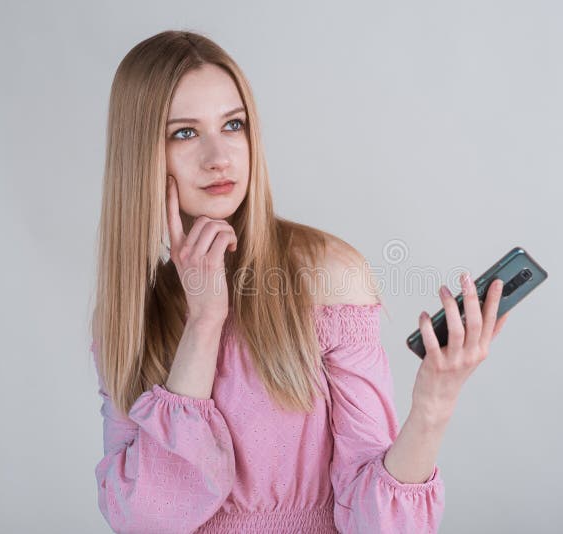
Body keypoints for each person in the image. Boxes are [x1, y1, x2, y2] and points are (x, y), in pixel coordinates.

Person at [90, 30, 509, 534]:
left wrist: (434, 405)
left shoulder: (327, 275)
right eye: (184, 132)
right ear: (141, 155)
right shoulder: (130, 310)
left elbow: (378, 524)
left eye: (233, 124)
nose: (219, 156)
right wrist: (204, 321)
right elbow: (146, 520)